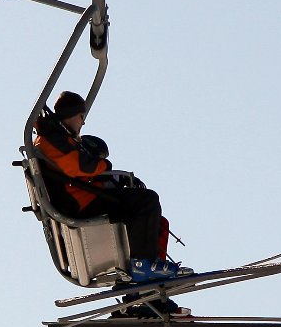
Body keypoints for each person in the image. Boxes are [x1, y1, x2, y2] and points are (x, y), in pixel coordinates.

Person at [32, 90, 192, 284]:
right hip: (81, 204)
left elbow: (77, 169)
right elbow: (81, 166)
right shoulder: (51, 140)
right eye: (81, 117)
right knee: (146, 201)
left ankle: (146, 286)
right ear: (72, 115)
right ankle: (143, 265)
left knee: (155, 221)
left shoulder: (57, 139)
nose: (83, 123)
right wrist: (104, 166)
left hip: (84, 197)